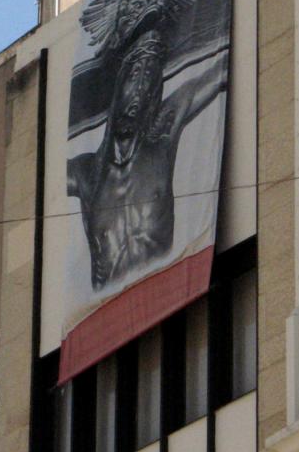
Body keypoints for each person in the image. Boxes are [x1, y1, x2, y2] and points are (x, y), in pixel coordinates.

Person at [67, 31, 228, 290]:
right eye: (134, 76)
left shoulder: (163, 131)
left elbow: (220, 71)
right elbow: (31, 186)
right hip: (108, 317)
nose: (141, 88)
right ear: (118, 87)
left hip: (165, 300)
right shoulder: (84, 172)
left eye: (150, 77)